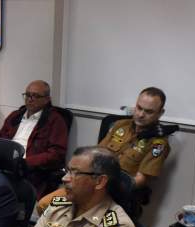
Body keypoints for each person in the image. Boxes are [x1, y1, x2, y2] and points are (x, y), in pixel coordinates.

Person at [38, 87, 173, 214]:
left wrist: (106, 188)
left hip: (112, 192)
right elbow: (97, 153)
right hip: (89, 181)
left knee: (77, 217)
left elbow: (141, 179)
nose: (141, 114)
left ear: (160, 113)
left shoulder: (158, 143)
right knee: (45, 205)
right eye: (139, 108)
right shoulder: (120, 126)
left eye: (148, 111)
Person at [0, 80, 68, 196]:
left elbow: (56, 154)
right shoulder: (16, 115)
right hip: (5, 163)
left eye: (36, 96)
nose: (30, 99)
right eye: (28, 95)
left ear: (47, 99)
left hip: (30, 169)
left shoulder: (55, 120)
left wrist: (25, 162)